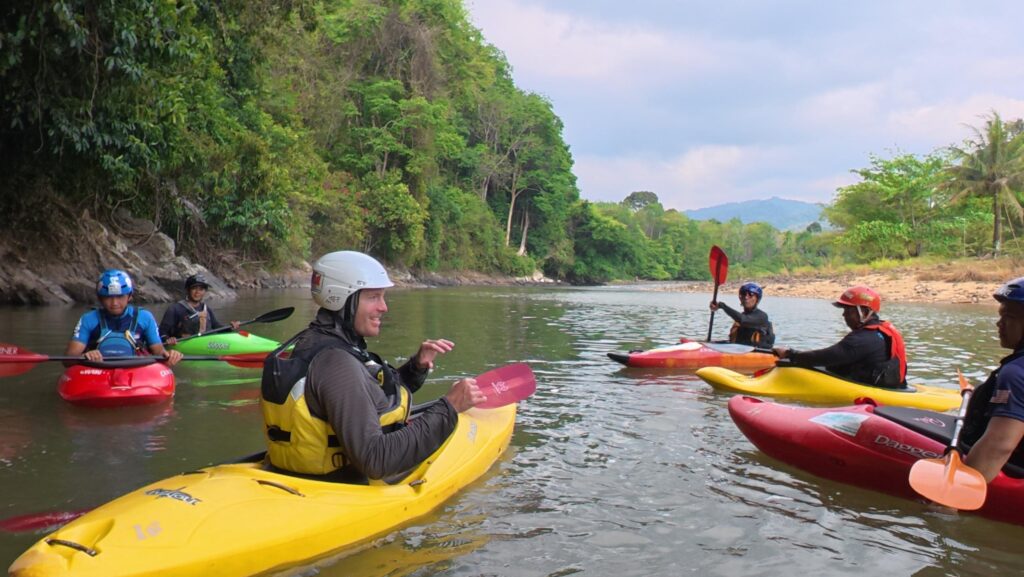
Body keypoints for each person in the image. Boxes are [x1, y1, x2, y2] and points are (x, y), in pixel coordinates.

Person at [260, 250, 486, 483]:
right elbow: (376, 460)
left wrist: (415, 368)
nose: (384, 307)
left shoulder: (314, 342)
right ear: (341, 298)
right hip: (335, 488)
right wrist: (449, 407)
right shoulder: (336, 364)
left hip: (297, 474)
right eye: (373, 297)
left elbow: (366, 396)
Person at [772, 285, 906, 388]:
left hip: (875, 388)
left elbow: (826, 357)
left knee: (799, 366)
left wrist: (790, 354)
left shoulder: (862, 339)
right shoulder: (881, 330)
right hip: (887, 382)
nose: (844, 315)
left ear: (864, 312)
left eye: (848, 310)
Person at [962, 277, 1024, 481]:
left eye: (1009, 316)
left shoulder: (1015, 373)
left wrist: (951, 501)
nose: (999, 323)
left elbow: (999, 446)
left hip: (1011, 470)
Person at [66, 269, 183, 366]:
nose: (114, 303)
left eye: (120, 296)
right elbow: (68, 360)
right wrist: (84, 357)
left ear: (130, 296)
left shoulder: (144, 317)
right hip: (98, 369)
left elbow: (159, 352)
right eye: (108, 297)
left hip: (136, 370)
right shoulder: (88, 319)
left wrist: (170, 356)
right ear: (100, 298)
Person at [159, 273, 240, 345]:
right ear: (188, 290)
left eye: (201, 289)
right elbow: (161, 333)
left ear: (205, 291)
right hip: (182, 346)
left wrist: (230, 327)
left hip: (204, 345)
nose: (197, 292)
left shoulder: (206, 309)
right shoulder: (175, 309)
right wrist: (167, 339)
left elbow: (216, 327)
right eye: (194, 288)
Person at [709, 282, 775, 347]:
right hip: (739, 350)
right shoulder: (740, 316)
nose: (746, 297)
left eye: (751, 294)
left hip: (757, 353)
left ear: (757, 299)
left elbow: (743, 320)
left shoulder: (762, 316)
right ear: (740, 298)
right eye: (743, 294)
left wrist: (722, 306)